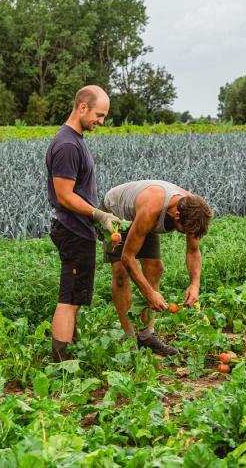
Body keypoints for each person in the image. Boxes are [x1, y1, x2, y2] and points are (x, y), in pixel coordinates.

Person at [45, 85, 120, 362]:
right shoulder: (66, 145)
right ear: (82, 107)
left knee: (75, 297)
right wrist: (97, 215)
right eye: (99, 115)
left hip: (80, 229)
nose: (101, 121)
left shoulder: (75, 139)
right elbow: (64, 196)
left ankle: (68, 354)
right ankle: (61, 365)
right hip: (73, 230)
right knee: (69, 298)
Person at [101, 180, 212, 355]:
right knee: (121, 272)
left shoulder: (193, 211)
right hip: (116, 213)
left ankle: (146, 335)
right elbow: (128, 257)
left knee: (155, 267)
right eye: (184, 231)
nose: (186, 234)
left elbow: (193, 250)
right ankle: (129, 337)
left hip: (145, 216)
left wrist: (195, 284)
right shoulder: (152, 209)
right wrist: (149, 294)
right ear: (176, 216)